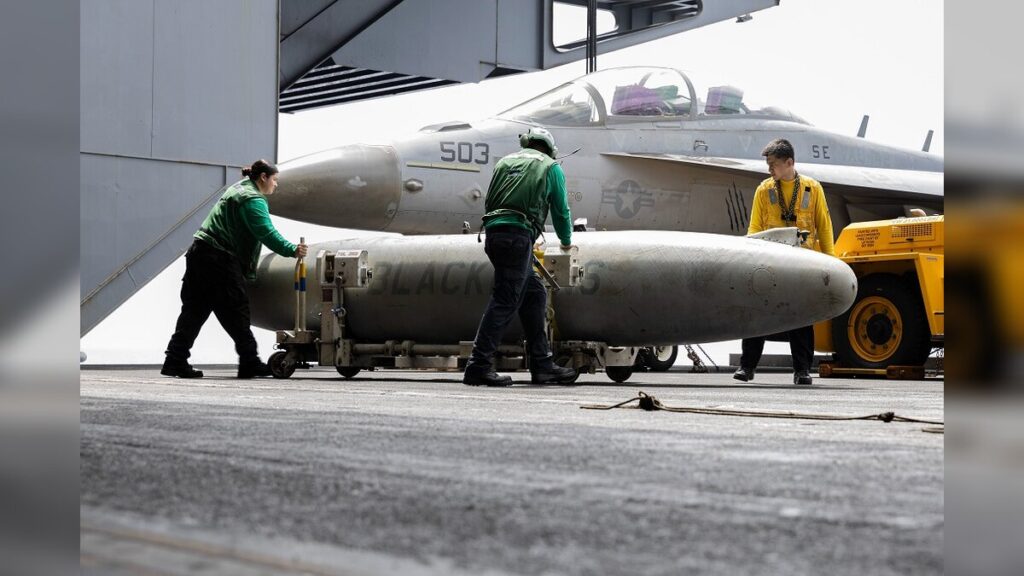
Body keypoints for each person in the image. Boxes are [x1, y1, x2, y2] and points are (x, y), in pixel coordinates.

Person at [161, 159, 308, 379]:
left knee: (194, 311)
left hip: (199, 253)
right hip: (218, 258)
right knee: (236, 310)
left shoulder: (238, 188)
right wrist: (293, 250)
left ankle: (174, 359)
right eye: (275, 180)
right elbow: (266, 233)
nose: (276, 185)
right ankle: (249, 362)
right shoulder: (253, 199)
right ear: (263, 178)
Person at [463, 128, 579, 387]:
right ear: (549, 149)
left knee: (535, 293)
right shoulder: (551, 167)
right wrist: (567, 241)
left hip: (494, 234)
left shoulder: (505, 162)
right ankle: (478, 366)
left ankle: (543, 365)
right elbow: (561, 210)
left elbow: (491, 200)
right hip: (517, 236)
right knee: (505, 299)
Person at [734, 138, 836, 385]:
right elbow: (755, 227)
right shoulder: (764, 190)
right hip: (769, 263)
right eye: (768, 164)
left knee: (801, 317)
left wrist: (831, 261)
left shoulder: (813, 189)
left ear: (789, 162)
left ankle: (802, 371)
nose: (770, 169)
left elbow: (824, 226)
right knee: (757, 314)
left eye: (773, 164)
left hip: (802, 264)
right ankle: (747, 367)